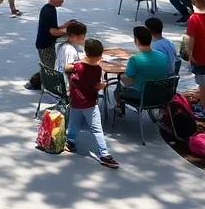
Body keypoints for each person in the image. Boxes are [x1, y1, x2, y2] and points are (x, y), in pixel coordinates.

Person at [67, 40, 120, 168]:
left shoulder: (77, 66)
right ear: (100, 56)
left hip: (75, 101)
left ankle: (70, 141)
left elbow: (68, 68)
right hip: (90, 102)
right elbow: (96, 86)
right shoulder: (97, 69)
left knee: (74, 123)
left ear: (85, 52)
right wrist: (103, 85)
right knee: (97, 129)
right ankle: (104, 154)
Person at [113, 25, 167, 118]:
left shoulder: (135, 59)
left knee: (119, 83)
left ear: (136, 40)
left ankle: (119, 108)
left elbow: (129, 81)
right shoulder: (161, 55)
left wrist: (121, 77)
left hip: (141, 95)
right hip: (160, 94)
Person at [26, 0, 68, 90]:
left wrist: (64, 26)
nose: (63, 0)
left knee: (50, 65)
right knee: (51, 67)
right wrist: (67, 31)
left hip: (46, 42)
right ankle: (37, 82)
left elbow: (52, 27)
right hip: (45, 45)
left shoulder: (49, 9)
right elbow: (52, 32)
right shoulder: (49, 11)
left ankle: (40, 81)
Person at [56, 20, 88, 92]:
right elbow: (69, 70)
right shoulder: (70, 51)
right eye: (83, 36)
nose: (84, 38)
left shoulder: (63, 43)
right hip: (67, 87)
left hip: (60, 81)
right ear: (76, 36)